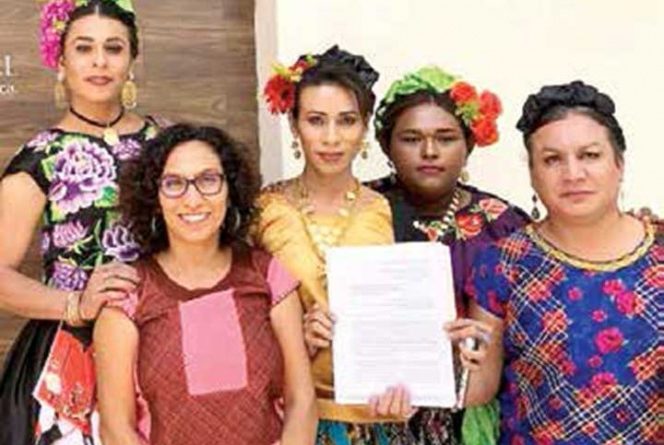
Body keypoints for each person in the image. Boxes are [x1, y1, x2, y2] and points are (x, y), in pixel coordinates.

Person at [94, 123, 317, 445]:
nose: (193, 199)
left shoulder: (269, 276)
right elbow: (116, 430)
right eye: (174, 184)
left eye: (208, 180)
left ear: (230, 189)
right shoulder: (128, 295)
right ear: (154, 197)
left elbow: (302, 402)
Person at [468, 80, 662, 444]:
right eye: (552, 160)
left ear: (619, 164)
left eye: (589, 155)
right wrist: (444, 362)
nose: (573, 174)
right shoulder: (505, 262)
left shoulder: (659, 254)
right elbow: (476, 388)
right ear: (532, 174)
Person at [0, 1, 160, 443]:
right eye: (84, 48)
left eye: (114, 48)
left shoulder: (165, 145)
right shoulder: (41, 157)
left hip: (158, 345)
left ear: (132, 60)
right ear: (61, 61)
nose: (99, 62)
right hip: (70, 355)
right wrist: (76, 304)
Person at [369, 66, 530, 444]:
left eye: (446, 138)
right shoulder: (360, 212)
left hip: (471, 412)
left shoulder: (501, 224)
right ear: (386, 146)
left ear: (468, 145)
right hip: (373, 410)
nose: (429, 151)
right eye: (411, 139)